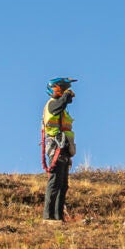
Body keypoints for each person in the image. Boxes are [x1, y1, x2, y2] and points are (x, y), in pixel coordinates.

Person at [40, 77, 76, 222]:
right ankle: (48, 216)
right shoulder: (52, 104)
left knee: (63, 184)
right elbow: (60, 105)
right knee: (55, 182)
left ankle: (58, 217)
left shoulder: (60, 106)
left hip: (64, 146)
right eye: (62, 89)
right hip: (56, 146)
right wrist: (67, 96)